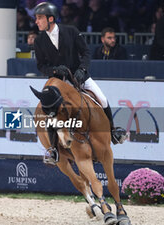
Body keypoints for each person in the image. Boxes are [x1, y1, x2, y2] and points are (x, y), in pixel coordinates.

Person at [33, 2, 127, 152]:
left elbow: (86, 53)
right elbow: (41, 66)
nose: (36, 21)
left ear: (50, 19)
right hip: (58, 83)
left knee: (102, 99)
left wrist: (82, 69)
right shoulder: (39, 41)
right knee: (49, 110)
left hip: (79, 76)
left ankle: (113, 131)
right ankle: (53, 150)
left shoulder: (71, 31)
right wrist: (55, 70)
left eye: (39, 18)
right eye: (36, 18)